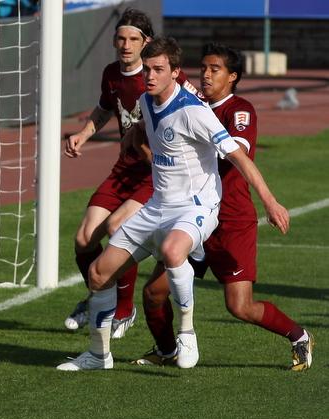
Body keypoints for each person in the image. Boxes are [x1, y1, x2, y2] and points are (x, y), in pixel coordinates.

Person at [57, 36, 289, 371]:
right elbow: (146, 124)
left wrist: (271, 201)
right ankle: (98, 355)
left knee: (172, 250)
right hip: (157, 205)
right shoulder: (146, 100)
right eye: (147, 69)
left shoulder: (194, 112)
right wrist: (134, 136)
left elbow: (238, 157)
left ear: (176, 72)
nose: (149, 76)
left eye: (158, 69)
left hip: (196, 206)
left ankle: (187, 334)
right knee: (98, 273)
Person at [134, 43, 314, 371]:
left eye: (215, 69)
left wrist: (270, 201)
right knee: (153, 293)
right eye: (203, 68)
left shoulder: (239, 110)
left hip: (230, 219)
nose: (206, 74)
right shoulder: (188, 104)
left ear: (232, 77)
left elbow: (235, 154)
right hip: (192, 216)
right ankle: (167, 350)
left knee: (239, 306)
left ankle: (299, 335)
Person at [64, 8, 189, 338]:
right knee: (84, 239)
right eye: (120, 38)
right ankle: (97, 297)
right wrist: (83, 134)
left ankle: (123, 310)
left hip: (154, 172)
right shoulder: (111, 73)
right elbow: (106, 107)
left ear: (146, 42)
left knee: (118, 227)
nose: (126, 44)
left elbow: (192, 103)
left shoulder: (161, 76)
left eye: (133, 38)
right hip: (124, 170)